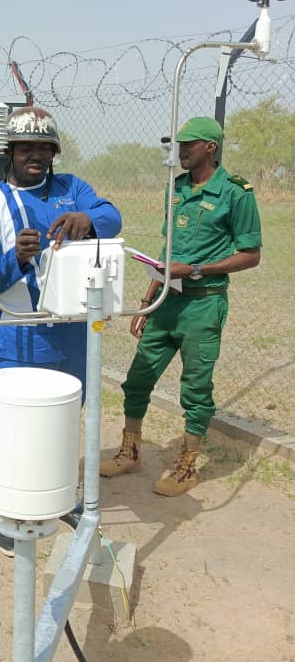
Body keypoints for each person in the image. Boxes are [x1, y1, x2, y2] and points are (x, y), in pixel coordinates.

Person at [0, 106, 121, 555]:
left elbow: (112, 216)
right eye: (26, 147)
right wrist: (13, 258)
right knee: (18, 429)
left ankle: (61, 498)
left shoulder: (73, 188)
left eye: (43, 147)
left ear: (54, 152)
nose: (35, 155)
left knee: (63, 421)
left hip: (73, 332)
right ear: (10, 152)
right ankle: (12, 515)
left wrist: (87, 220)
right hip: (19, 334)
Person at [100, 116, 262, 496]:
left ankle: (187, 466)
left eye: (188, 144)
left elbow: (250, 255)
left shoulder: (236, 193)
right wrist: (148, 296)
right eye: (178, 145)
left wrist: (198, 269)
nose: (181, 151)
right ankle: (131, 451)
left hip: (203, 306)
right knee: (137, 379)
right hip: (166, 302)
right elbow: (167, 251)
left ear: (210, 147)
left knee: (196, 389)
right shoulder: (175, 190)